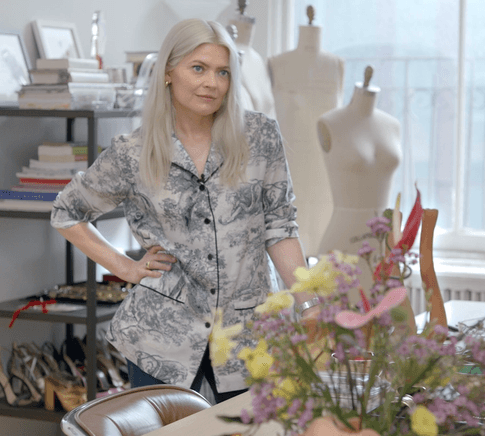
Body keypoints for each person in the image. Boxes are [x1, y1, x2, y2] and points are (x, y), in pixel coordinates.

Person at [50, 18, 314, 404]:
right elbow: (67, 212)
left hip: (249, 337)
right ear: (169, 72)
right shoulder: (132, 151)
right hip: (161, 338)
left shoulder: (260, 137)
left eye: (223, 72)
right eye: (198, 68)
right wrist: (125, 267)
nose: (212, 83)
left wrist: (309, 304)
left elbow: (280, 226)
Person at [316, 67, 402, 296]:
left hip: (384, 241)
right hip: (345, 238)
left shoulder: (392, 125)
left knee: (386, 325)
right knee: (338, 324)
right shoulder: (330, 122)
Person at [267, 8, 344, 257]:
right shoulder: (278, 64)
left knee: (323, 250)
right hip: (289, 166)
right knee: (288, 247)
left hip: (324, 172)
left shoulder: (336, 65)